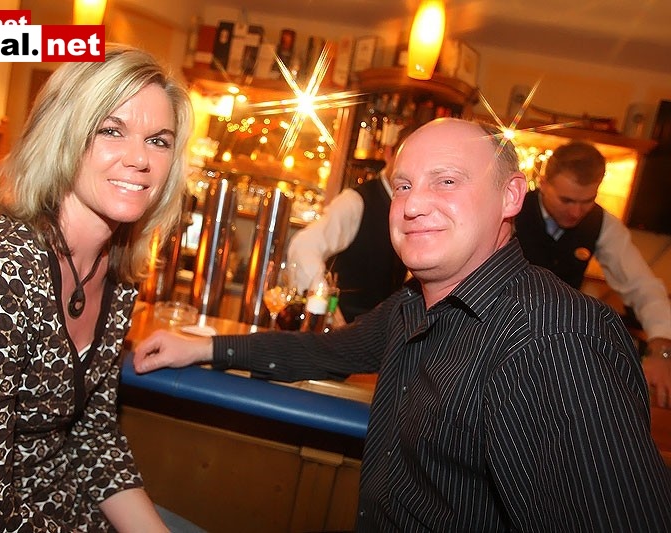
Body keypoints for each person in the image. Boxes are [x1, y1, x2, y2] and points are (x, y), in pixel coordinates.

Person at [134, 118, 671, 531]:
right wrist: (203, 348)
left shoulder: (556, 337)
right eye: (405, 186)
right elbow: (327, 352)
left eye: (447, 181)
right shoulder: (414, 305)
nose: (414, 206)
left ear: (511, 196)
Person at [0, 45, 194, 532]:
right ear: (63, 137)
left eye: (158, 141)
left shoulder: (119, 272)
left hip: (45, 494)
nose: (139, 159)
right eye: (111, 130)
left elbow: (93, 434)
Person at [514, 141, 671, 406]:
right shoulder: (511, 211)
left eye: (587, 201)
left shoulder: (603, 224)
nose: (576, 212)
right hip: (501, 330)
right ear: (543, 183)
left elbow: (641, 285)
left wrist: (661, 347)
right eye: (566, 200)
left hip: (557, 341)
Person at [287, 141, 407, 324]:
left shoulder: (410, 206)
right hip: (344, 331)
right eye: (405, 155)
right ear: (389, 153)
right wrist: (326, 309)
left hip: (379, 333)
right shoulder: (355, 201)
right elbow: (304, 246)